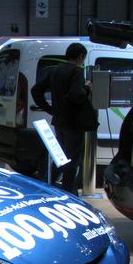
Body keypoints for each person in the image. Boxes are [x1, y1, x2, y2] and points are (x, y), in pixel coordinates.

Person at [31, 42, 96, 195]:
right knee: (72, 160)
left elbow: (36, 90)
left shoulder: (55, 70)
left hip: (59, 121)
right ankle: (69, 193)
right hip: (74, 122)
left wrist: (49, 109)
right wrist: (87, 88)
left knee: (60, 157)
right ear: (81, 56)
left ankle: (49, 184)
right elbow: (76, 95)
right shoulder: (77, 72)